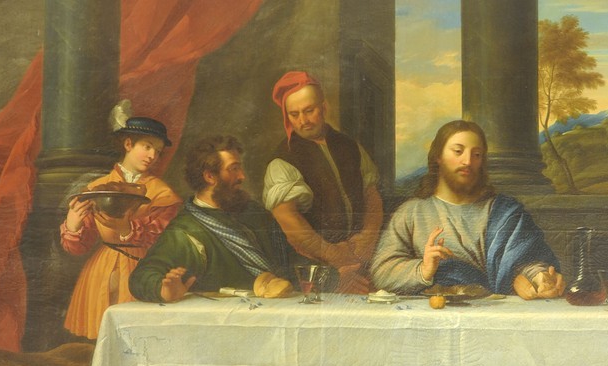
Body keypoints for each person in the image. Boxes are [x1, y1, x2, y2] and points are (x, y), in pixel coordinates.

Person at [371, 119, 592, 366]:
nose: (467, 161)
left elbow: (528, 259)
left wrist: (541, 279)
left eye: (476, 154)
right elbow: (382, 270)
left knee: (533, 364)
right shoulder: (412, 212)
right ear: (438, 158)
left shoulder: (506, 210)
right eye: (458, 151)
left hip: (500, 329)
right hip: (436, 334)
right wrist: (424, 269)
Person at [61, 105, 181, 339]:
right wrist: (73, 225)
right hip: (100, 271)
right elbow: (78, 247)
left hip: (144, 268)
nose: (152, 156)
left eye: (157, 151)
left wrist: (128, 230)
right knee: (102, 339)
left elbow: (165, 237)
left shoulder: (163, 192)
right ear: (128, 144)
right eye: (147, 147)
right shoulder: (97, 187)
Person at [129, 135, 293, 303]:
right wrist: (163, 290)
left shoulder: (254, 212)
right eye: (233, 169)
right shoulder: (184, 231)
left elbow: (291, 260)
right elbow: (141, 277)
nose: (242, 176)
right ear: (210, 177)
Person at [264, 70, 383, 295]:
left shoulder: (350, 146)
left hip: (362, 256)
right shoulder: (282, 160)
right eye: (294, 114)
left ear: (324, 107)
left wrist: (367, 238)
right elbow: (289, 220)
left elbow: (372, 195)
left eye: (309, 111)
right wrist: (334, 255)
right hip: (316, 267)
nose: (303, 121)